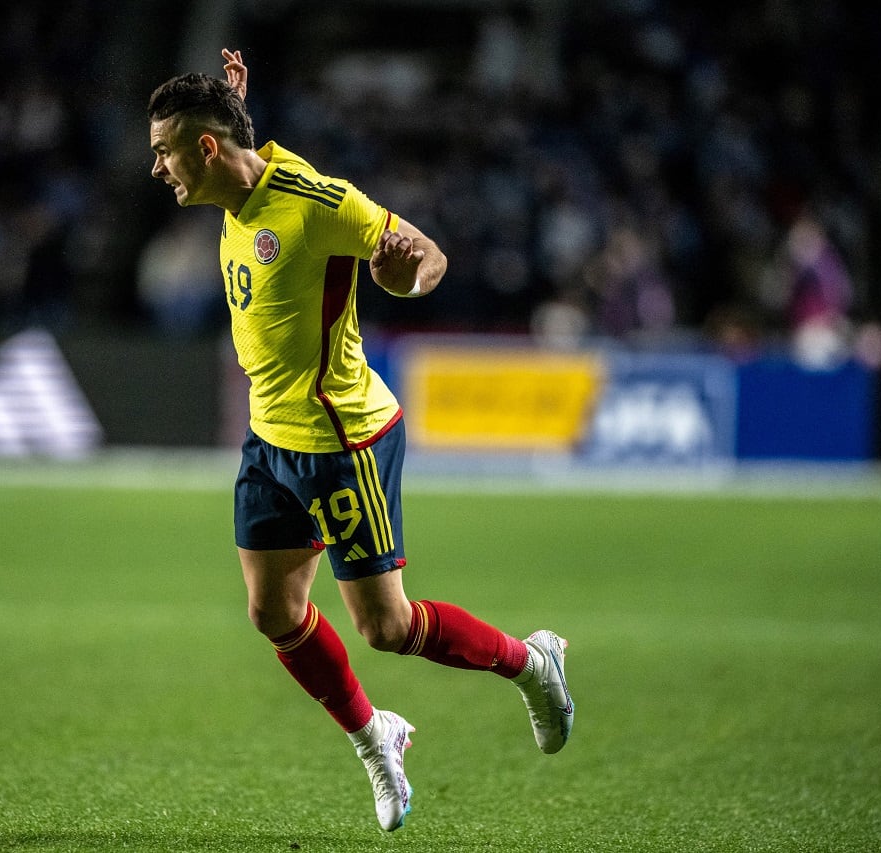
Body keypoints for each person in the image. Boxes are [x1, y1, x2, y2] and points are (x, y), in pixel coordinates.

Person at [146, 49, 574, 832]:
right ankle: (377, 737)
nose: (156, 168)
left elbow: (427, 257)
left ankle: (531, 661)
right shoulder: (239, 187)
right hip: (270, 441)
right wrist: (233, 106)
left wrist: (398, 276)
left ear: (204, 148)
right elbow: (242, 158)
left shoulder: (319, 202)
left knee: (386, 627)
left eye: (164, 151)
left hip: (343, 441)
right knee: (273, 611)